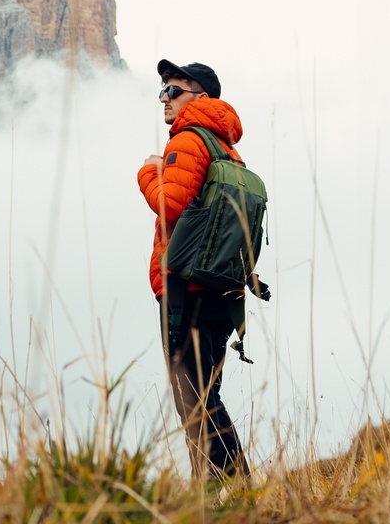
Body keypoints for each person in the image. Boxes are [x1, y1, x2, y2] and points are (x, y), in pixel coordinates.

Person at [137, 59, 250, 482]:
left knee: (192, 398)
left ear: (200, 97)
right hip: (221, 288)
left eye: (174, 90)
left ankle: (229, 491)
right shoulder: (227, 148)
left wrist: (150, 170)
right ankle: (224, 492)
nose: (164, 98)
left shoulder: (187, 139)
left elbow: (171, 204)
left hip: (187, 286)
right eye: (163, 90)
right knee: (205, 394)